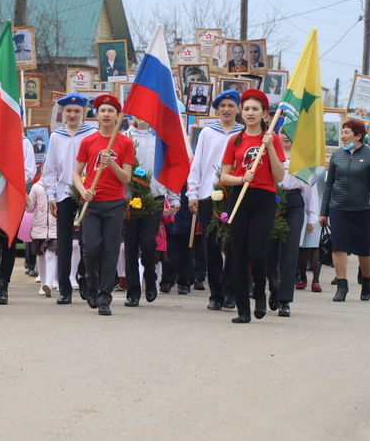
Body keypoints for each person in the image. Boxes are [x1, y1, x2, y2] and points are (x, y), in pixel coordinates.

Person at [219, 89, 286, 323]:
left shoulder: (273, 139)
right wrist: (240, 179)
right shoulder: (234, 140)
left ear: (264, 113)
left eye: (255, 109)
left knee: (257, 253)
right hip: (239, 197)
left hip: (264, 199)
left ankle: (260, 291)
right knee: (237, 254)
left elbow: (279, 176)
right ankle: (242, 310)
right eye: (246, 108)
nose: (250, 113)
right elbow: (223, 176)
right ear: (241, 111)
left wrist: (268, 148)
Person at [73, 94, 134, 316]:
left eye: (111, 111)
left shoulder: (125, 143)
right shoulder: (88, 141)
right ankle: (90, 280)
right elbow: (77, 173)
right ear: (96, 115)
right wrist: (83, 191)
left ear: (118, 116)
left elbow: (126, 178)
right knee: (90, 248)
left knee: (110, 250)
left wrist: (113, 163)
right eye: (102, 111)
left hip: (115, 203)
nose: (106, 115)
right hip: (92, 203)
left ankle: (105, 296)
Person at [187, 89, 243, 311]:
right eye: (223, 106)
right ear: (217, 109)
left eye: (231, 105)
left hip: (234, 193)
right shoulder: (207, 133)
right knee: (210, 246)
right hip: (208, 193)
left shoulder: (243, 133)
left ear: (238, 108)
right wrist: (193, 193)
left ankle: (231, 291)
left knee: (231, 245)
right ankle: (216, 293)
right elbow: (198, 163)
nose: (227, 110)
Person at [318, 119, 370, 302]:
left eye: (347, 132)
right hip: (338, 208)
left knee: (364, 249)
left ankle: (367, 279)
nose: (343, 136)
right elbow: (328, 185)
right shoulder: (337, 155)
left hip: (363, 209)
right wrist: (324, 212)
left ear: (358, 135)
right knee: (338, 247)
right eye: (342, 132)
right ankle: (341, 285)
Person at [41, 93, 96, 304]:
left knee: (88, 241)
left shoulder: (91, 134)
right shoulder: (57, 136)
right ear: (63, 112)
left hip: (87, 193)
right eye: (68, 111)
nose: (72, 115)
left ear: (84, 112)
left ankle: (84, 277)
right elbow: (50, 169)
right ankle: (64, 288)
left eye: (77, 111)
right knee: (63, 242)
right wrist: (51, 195)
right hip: (64, 193)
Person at [122, 117, 180, 307]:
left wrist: (174, 197)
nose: (142, 117)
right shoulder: (124, 137)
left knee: (148, 243)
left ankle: (150, 275)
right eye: (137, 114)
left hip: (154, 196)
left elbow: (169, 170)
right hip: (130, 198)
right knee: (130, 245)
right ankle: (133, 291)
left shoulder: (160, 140)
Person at [266, 131, 319, 318]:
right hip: (273, 200)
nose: (286, 136)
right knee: (269, 252)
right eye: (283, 132)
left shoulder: (302, 158)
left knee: (290, 252)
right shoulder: (270, 152)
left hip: (295, 203)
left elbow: (310, 188)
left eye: (290, 133)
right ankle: (274, 286)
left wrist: (312, 216)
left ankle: (285, 300)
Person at [0, 133, 36, 305]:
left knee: (9, 239)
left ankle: (3, 284)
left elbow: (29, 171)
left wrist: (11, 178)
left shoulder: (23, 142)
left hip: (13, 194)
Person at [296, 166, 326, 293]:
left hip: (319, 207)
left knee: (315, 246)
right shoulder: (302, 165)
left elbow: (329, 183)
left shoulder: (323, 167)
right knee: (302, 246)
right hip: (303, 206)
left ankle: (316, 280)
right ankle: (302, 277)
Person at [27, 180, 57, 297]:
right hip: (40, 226)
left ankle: (49, 284)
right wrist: (26, 202)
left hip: (54, 227)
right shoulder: (36, 187)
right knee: (40, 255)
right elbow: (30, 208)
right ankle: (43, 283)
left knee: (51, 254)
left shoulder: (58, 184)